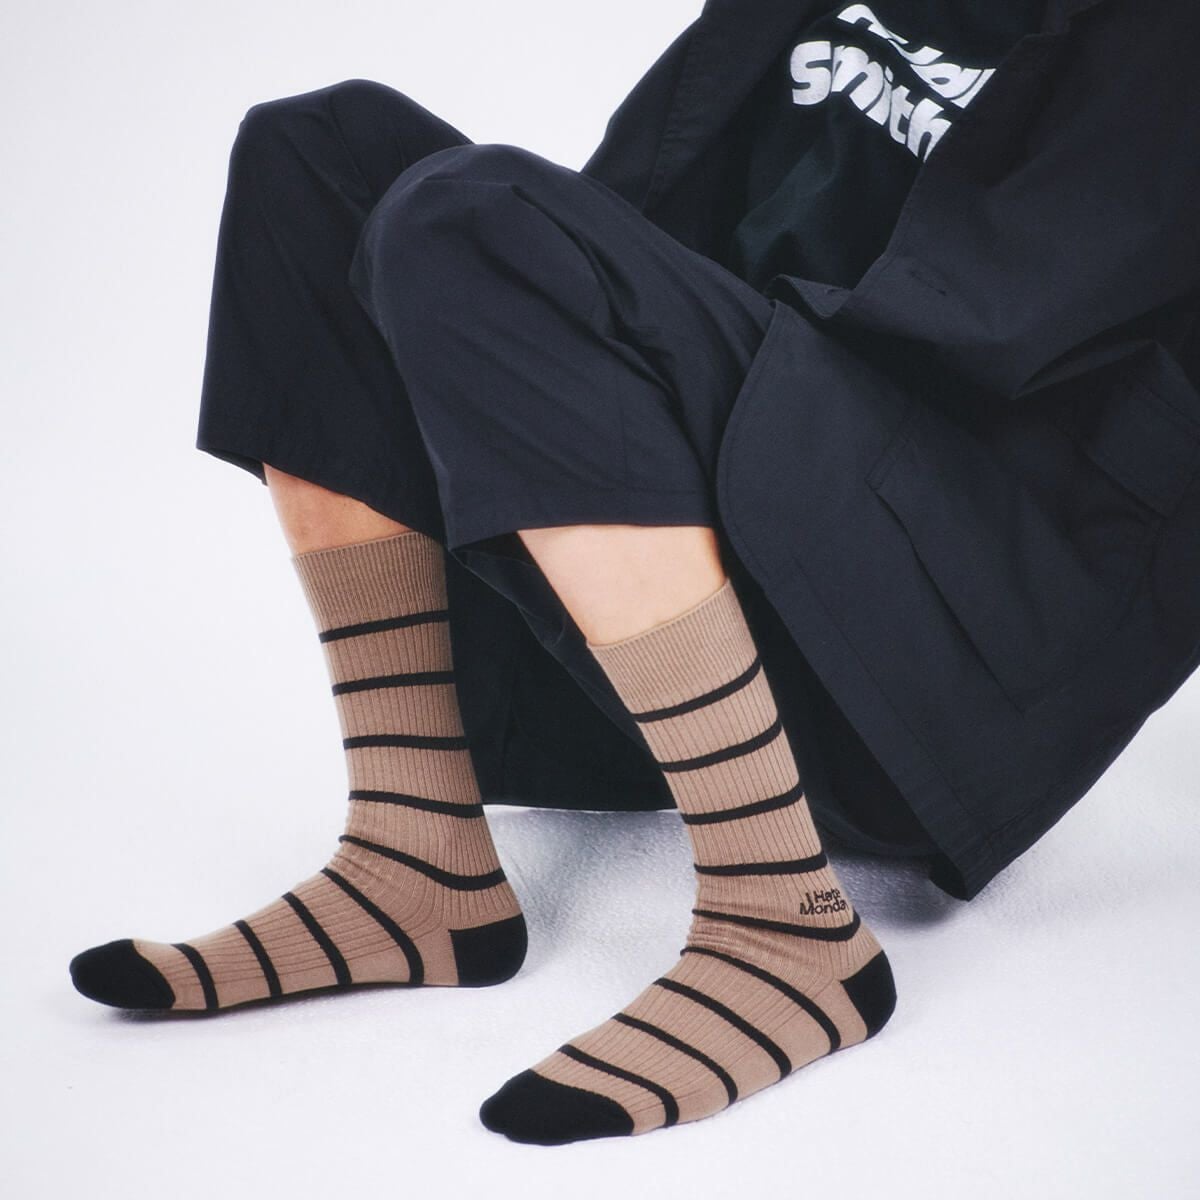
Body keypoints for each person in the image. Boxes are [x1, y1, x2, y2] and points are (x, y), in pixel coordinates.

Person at [68, 0, 1200, 1146]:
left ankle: (786, 924)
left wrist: (612, 325)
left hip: (936, 661)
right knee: (317, 154)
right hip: (698, 611)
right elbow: (631, 215)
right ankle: (416, 853)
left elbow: (980, 351)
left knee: (471, 215)